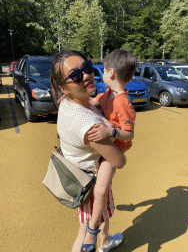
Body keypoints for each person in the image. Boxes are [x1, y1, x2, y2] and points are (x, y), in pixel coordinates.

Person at [50, 50, 127, 252]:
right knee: (84, 231)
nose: (86, 75)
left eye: (87, 67)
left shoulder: (68, 103)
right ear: (63, 88)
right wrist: (117, 132)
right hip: (90, 185)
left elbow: (90, 104)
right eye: (76, 76)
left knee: (103, 215)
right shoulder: (88, 124)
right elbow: (118, 160)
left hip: (86, 176)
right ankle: (98, 242)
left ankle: (105, 242)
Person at [87, 49, 138, 251]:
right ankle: (105, 240)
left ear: (111, 73)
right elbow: (91, 102)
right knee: (104, 195)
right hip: (105, 146)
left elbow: (129, 133)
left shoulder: (123, 102)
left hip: (114, 150)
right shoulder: (107, 94)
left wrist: (110, 131)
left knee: (101, 191)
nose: (101, 74)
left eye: (103, 70)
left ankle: (96, 233)